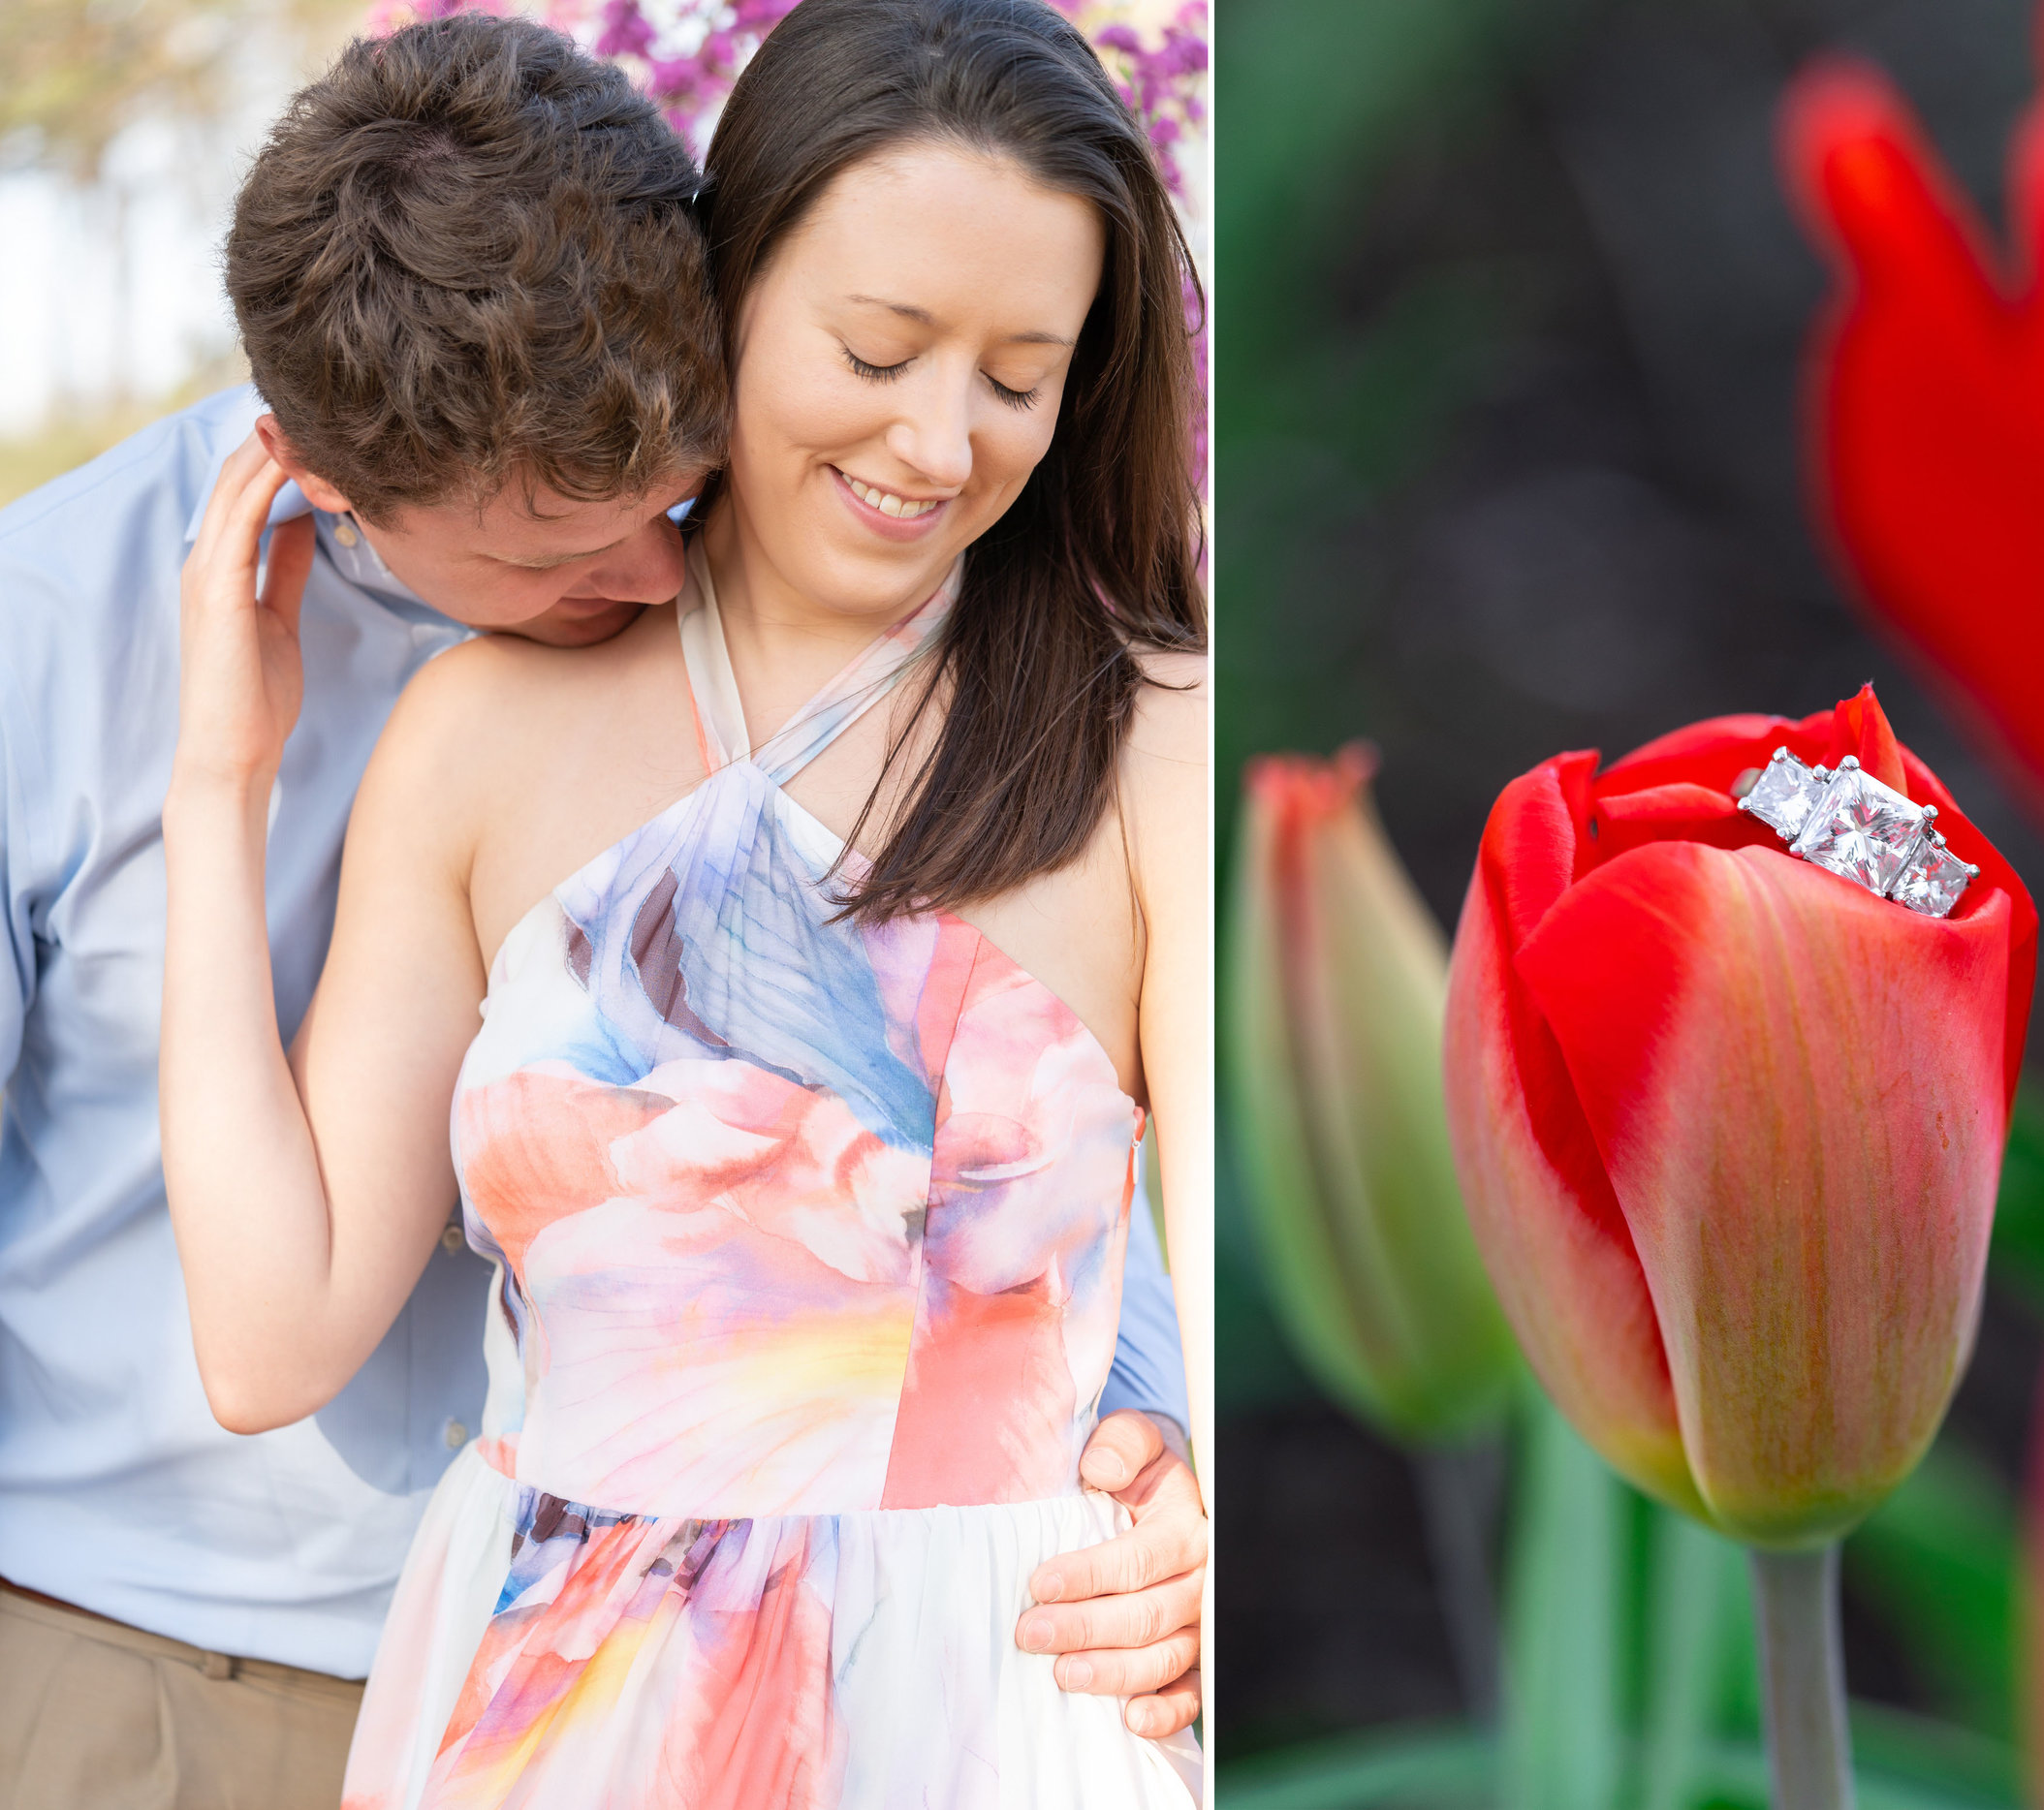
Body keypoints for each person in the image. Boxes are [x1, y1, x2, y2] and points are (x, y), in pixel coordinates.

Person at [0, 13, 1201, 1806]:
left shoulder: (1150, 735)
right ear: (739, 288)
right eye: (877, 348)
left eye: (1020, 377)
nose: (941, 441)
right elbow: (270, 1336)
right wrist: (217, 786)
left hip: (994, 1703)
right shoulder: (473, 731)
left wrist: (1193, 1486)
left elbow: (1223, 1247)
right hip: (554, 1701)